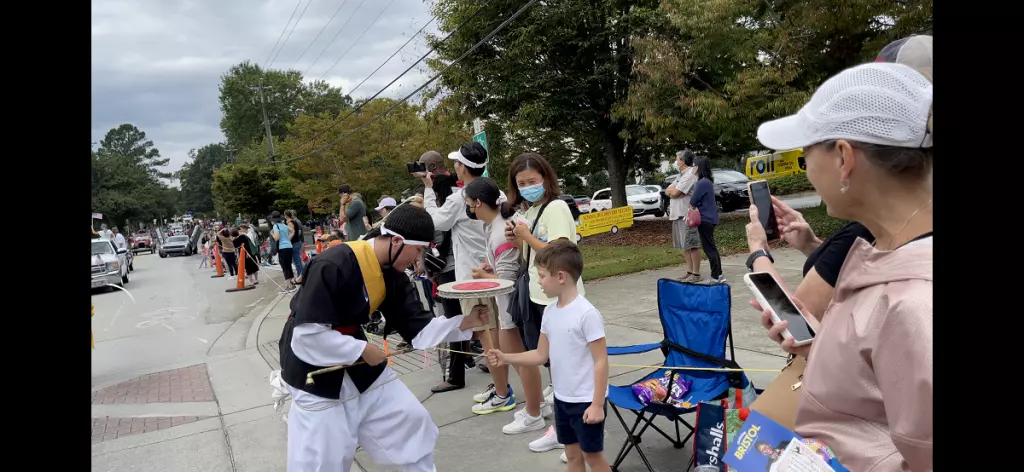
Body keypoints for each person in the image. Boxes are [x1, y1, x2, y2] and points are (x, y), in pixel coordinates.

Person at [751, 62, 933, 471]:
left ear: (844, 157)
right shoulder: (887, 252)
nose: (806, 169)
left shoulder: (918, 302)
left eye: (805, 154)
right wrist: (825, 347)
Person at [277, 204, 492, 472]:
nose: (418, 260)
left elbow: (417, 328)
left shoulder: (392, 272)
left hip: (357, 355)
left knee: (409, 420)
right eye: (418, 250)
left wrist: (466, 322)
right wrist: (361, 349)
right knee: (326, 452)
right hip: (310, 362)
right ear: (397, 241)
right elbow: (307, 335)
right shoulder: (332, 263)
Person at [487, 240, 610, 472]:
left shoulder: (587, 314)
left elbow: (601, 360)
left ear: (561, 277)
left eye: (542, 276)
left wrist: (597, 404)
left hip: (586, 400)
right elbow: (541, 355)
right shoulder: (551, 313)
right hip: (562, 400)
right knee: (573, 457)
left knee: (593, 458)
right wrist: (506, 357)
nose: (539, 281)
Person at [505, 152, 586, 450]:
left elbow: (560, 254)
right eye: (521, 182)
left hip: (560, 298)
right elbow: (530, 254)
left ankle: (570, 435)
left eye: (533, 181)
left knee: (567, 366)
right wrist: (517, 238)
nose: (527, 186)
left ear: (546, 179)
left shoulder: (556, 207)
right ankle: (555, 426)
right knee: (551, 364)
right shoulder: (530, 210)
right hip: (537, 295)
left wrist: (525, 236)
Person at [420, 143, 498, 394]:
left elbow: (436, 221)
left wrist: (429, 190)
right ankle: (500, 384)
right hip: (495, 270)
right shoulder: (495, 192)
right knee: (499, 331)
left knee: (483, 331)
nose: (453, 167)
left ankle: (500, 390)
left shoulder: (459, 198)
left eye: (456, 163)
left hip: (469, 275)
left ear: (463, 168)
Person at [462, 178, 523, 415]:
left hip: (510, 309)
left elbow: (507, 281)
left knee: (519, 361)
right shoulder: (493, 226)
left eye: (468, 203)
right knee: (517, 359)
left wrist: (483, 276)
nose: (467, 207)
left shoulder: (500, 231)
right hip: (507, 307)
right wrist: (490, 268)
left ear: (478, 203)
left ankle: (535, 408)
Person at [665, 150, 702, 281]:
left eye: (677, 159)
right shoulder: (681, 175)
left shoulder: (690, 174)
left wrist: (675, 192)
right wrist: (674, 191)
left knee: (692, 244)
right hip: (677, 214)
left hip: (687, 214)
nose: (676, 162)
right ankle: (689, 271)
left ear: (683, 160)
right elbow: (669, 190)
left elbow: (675, 193)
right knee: (684, 245)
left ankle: (696, 274)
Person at [688, 156, 725, 284]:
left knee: (709, 248)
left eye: (693, 165)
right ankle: (719, 274)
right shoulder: (707, 181)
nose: (692, 168)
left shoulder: (701, 182)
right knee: (712, 247)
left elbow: (693, 201)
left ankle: (715, 276)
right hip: (710, 218)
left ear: (697, 167)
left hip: (705, 219)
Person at [270, 211, 296, 292]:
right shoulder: (284, 225)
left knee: (284, 266)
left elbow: (277, 238)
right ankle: (292, 283)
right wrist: (288, 239)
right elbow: (292, 231)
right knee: (288, 265)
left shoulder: (275, 226)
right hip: (289, 246)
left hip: (282, 248)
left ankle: (289, 286)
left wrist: (272, 234)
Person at [285, 210, 305, 285]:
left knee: (297, 260)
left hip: (295, 243)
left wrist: (288, 240)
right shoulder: (295, 222)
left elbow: (294, 233)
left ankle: (300, 276)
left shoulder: (292, 222)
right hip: (297, 242)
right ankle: (301, 275)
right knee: (297, 260)